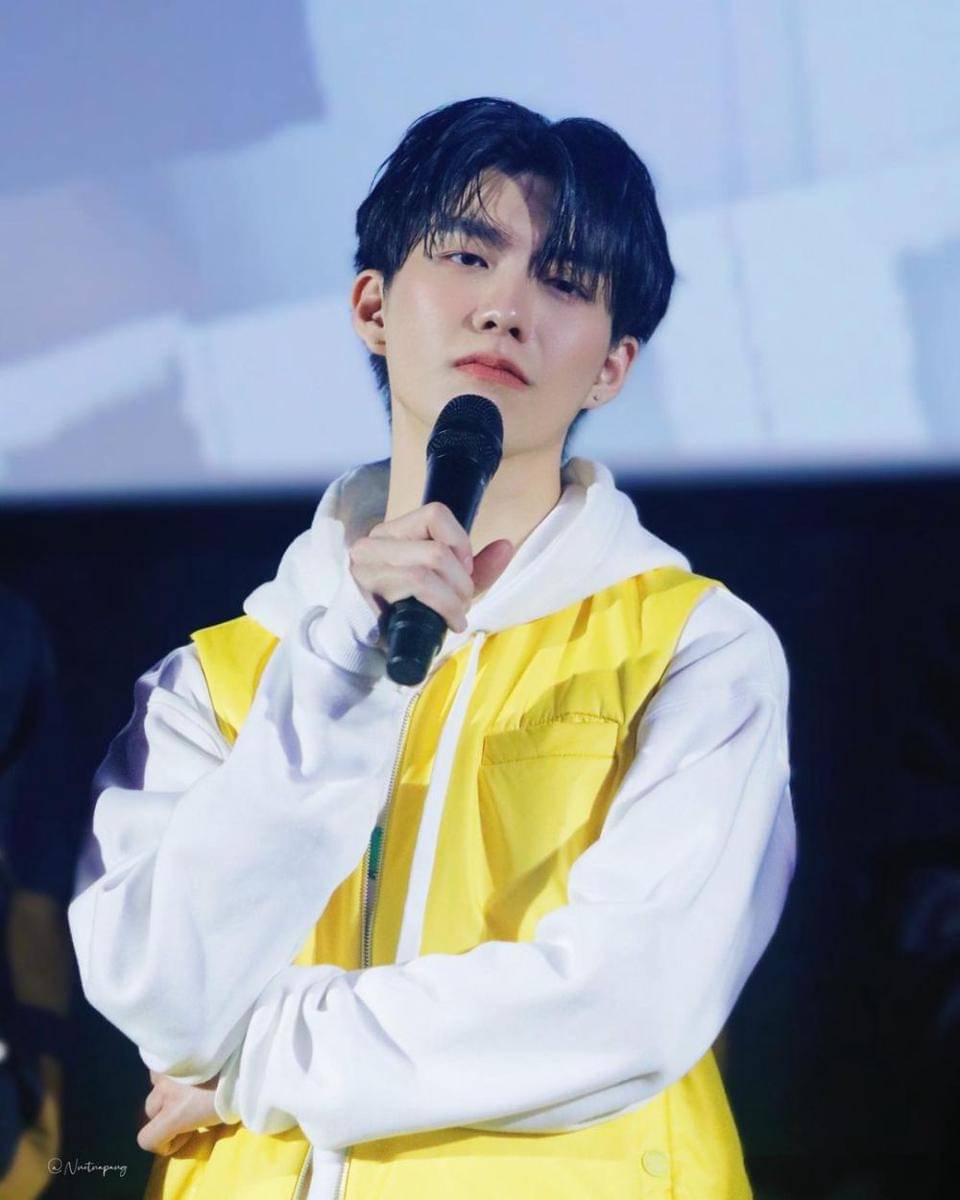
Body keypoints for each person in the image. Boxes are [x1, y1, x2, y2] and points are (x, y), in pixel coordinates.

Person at [67, 97, 795, 1200]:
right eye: (466, 256)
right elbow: (158, 994)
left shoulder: (696, 649)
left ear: (612, 367)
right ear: (372, 305)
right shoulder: (210, 681)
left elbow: (624, 1005)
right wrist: (340, 666)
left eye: (564, 281)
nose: (506, 308)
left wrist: (251, 1062)